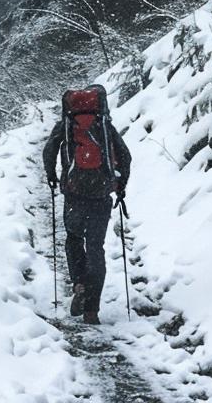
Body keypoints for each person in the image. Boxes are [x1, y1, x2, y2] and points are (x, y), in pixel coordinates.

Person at [42, 83, 130, 324]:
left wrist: (51, 176)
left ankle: (79, 282)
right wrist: (120, 185)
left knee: (73, 239)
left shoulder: (66, 126)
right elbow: (125, 156)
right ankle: (92, 309)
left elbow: (49, 149)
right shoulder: (105, 127)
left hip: (74, 194)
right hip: (101, 196)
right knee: (95, 247)